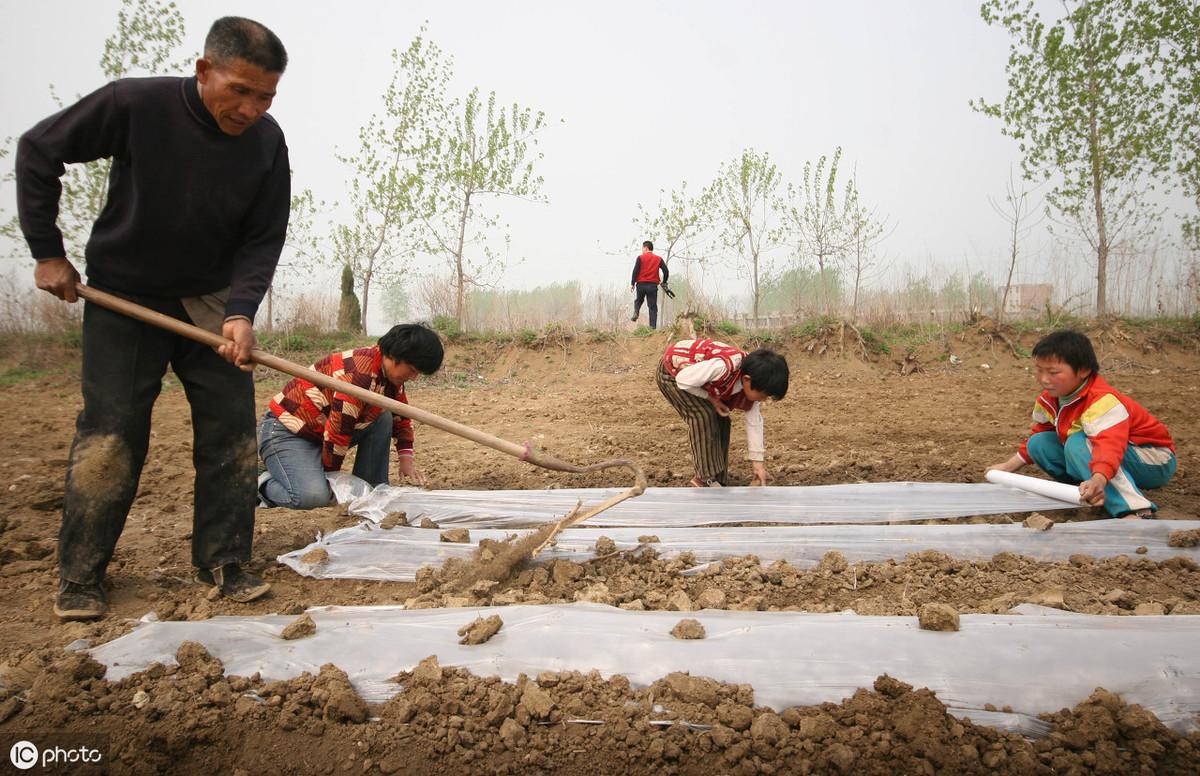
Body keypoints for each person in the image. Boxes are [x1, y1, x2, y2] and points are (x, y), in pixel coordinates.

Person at [16, 17, 291, 620]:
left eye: (265, 95)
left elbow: (263, 238)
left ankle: (223, 560)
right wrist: (46, 251)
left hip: (211, 307)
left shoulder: (267, 144)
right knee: (112, 433)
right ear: (203, 71)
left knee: (231, 436)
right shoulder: (135, 104)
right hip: (126, 299)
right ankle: (82, 574)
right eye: (239, 90)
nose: (250, 109)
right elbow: (39, 150)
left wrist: (241, 312)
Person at [987, 330, 1177, 518]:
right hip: (1110, 458)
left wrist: (1099, 477)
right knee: (1039, 442)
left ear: (1083, 370)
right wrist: (1006, 467)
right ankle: (1087, 490)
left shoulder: (1102, 400)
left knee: (1077, 443)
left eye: (1053, 372)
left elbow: (1109, 446)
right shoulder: (1049, 399)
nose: (1044, 379)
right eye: (1039, 369)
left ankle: (1132, 508)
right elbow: (1039, 433)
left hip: (1153, 460)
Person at [258, 324, 444, 509]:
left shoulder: (389, 376)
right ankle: (261, 486)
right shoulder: (359, 376)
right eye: (412, 370)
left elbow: (401, 414)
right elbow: (338, 433)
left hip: (320, 432)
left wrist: (406, 461)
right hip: (287, 433)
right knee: (313, 497)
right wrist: (334, 482)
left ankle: (372, 488)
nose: (413, 378)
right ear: (394, 356)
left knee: (383, 415)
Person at [657, 338, 789, 486]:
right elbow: (683, 380)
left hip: (698, 380)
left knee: (722, 419)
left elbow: (754, 424)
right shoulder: (723, 368)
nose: (764, 399)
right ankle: (705, 478)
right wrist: (712, 398)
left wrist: (758, 466)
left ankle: (718, 479)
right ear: (747, 380)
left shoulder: (754, 379)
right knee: (703, 415)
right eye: (764, 395)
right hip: (673, 374)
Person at [630, 240, 669, 329]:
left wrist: (632, 283)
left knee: (638, 301)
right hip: (652, 286)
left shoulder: (640, 258)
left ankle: (636, 311)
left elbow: (635, 271)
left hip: (641, 285)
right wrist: (664, 282)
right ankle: (652, 328)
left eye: (642, 248)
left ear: (646, 248)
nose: (642, 250)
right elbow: (666, 271)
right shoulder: (658, 259)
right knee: (652, 307)